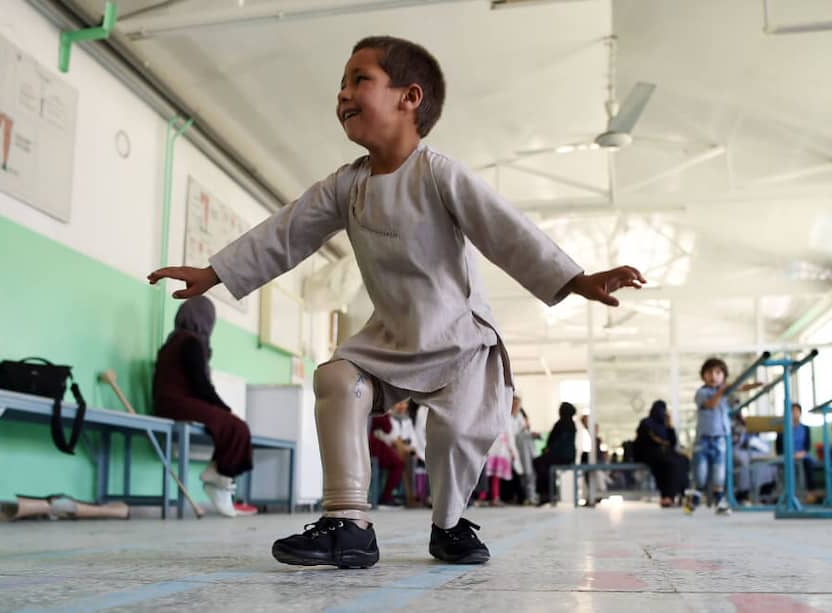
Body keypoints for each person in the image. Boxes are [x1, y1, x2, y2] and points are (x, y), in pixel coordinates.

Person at [148, 35, 645, 568]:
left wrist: (576, 279)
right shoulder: (346, 186)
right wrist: (215, 272)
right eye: (341, 84)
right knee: (337, 379)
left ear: (410, 97)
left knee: (457, 434)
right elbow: (286, 232)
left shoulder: (439, 173)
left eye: (359, 80)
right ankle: (349, 524)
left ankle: (450, 525)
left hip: (459, 341)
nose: (342, 94)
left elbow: (507, 232)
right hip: (390, 338)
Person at [152, 296, 256, 517]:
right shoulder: (190, 342)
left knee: (233, 426)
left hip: (170, 403)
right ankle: (219, 478)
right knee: (237, 427)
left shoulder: (173, 341)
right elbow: (201, 386)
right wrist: (226, 409)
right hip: (176, 404)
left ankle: (217, 475)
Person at [690, 357, 761, 515]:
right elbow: (711, 404)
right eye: (709, 373)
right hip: (703, 440)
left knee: (719, 473)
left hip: (720, 439)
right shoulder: (702, 393)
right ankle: (695, 497)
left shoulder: (724, 392)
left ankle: (719, 502)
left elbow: (740, 387)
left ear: (724, 376)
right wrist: (722, 391)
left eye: (718, 373)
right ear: (703, 376)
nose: (714, 376)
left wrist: (754, 385)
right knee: (700, 474)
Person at [633, 400, 688, 507]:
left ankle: (680, 493)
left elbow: (673, 442)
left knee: (683, 460)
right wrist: (663, 443)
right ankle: (668, 496)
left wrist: (670, 426)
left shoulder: (664, 424)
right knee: (669, 463)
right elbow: (646, 440)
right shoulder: (646, 422)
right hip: (649, 453)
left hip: (664, 454)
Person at [534, 402, 579, 505]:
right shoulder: (571, 424)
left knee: (538, 463)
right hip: (567, 457)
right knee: (545, 464)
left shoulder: (562, 424)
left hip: (560, 456)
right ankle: (550, 493)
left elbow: (556, 442)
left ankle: (545, 494)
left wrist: (547, 449)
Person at [775, 402, 816, 496]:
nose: (794, 413)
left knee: (808, 463)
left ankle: (810, 492)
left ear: (800, 413)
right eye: (792, 411)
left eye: (796, 411)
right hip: (786, 456)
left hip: (802, 455)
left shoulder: (805, 428)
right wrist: (789, 455)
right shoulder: (781, 429)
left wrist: (802, 454)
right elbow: (778, 448)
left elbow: (807, 446)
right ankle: (785, 493)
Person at [512, 397, 539, 505]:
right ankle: (526, 497)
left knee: (529, 473)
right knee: (523, 474)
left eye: (517, 405)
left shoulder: (519, 417)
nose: (516, 407)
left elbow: (524, 430)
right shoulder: (508, 418)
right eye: (514, 404)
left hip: (524, 450)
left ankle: (530, 497)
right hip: (515, 449)